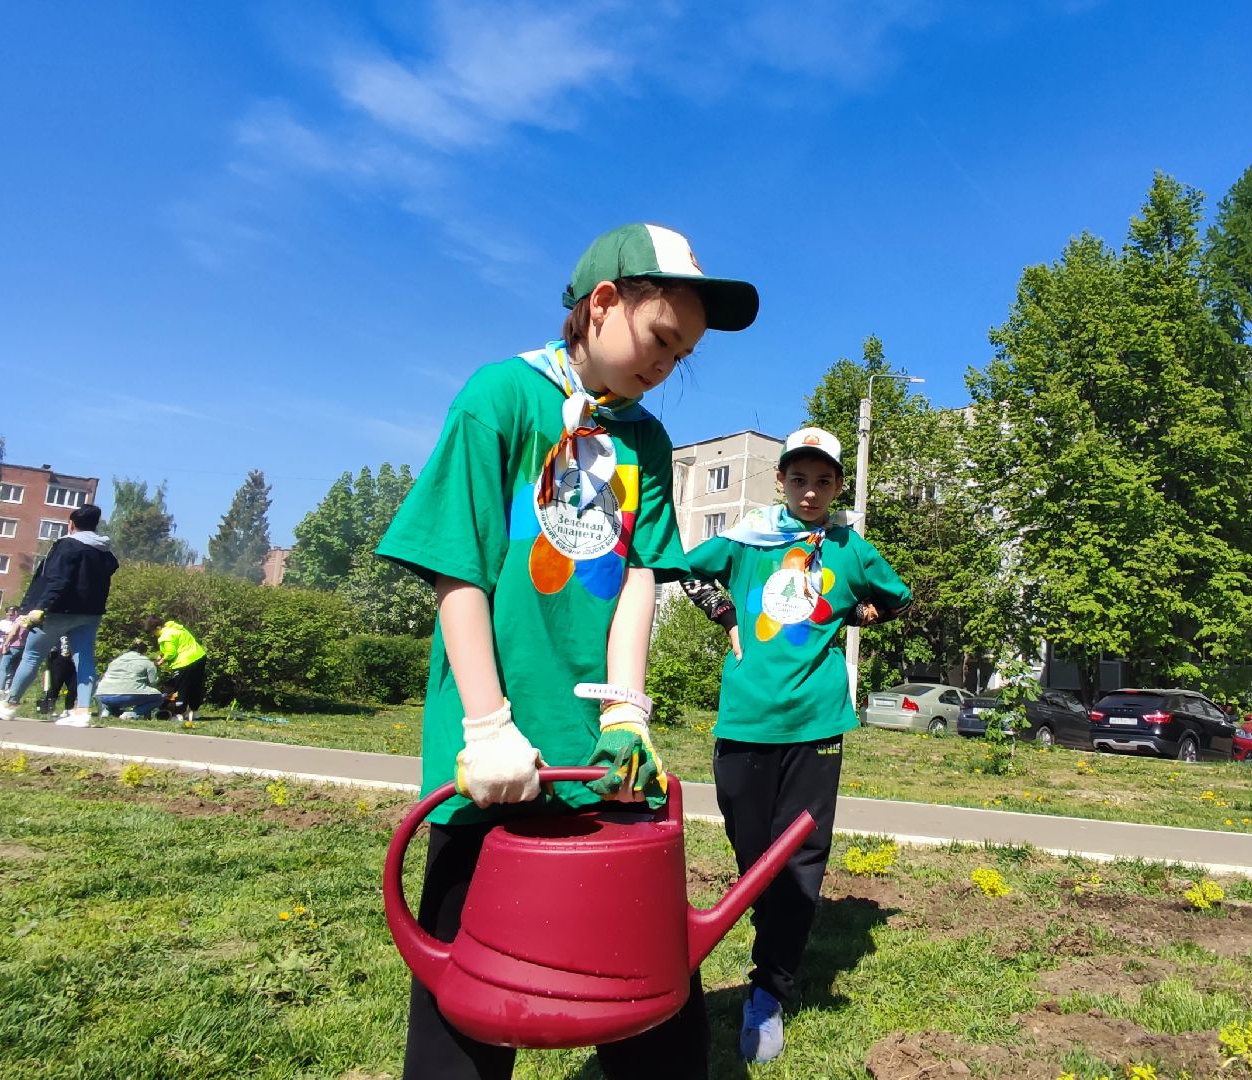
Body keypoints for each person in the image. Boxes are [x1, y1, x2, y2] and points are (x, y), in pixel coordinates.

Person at [374, 223, 757, 1080]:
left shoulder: (644, 440)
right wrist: (487, 725)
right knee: (465, 1014)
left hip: (600, 762)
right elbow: (456, 567)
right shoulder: (501, 396)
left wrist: (627, 711)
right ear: (604, 302)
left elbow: (636, 575)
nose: (667, 364)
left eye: (683, 355)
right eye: (662, 338)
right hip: (493, 761)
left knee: (650, 1001)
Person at [682, 426, 912, 1065]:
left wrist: (855, 614)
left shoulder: (849, 548)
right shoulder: (746, 539)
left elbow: (897, 597)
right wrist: (724, 614)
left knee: (800, 861)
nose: (811, 492)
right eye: (799, 479)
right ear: (781, 481)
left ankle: (769, 989)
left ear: (838, 487)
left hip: (815, 726)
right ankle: (771, 934)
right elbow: (680, 566)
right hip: (744, 722)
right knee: (754, 856)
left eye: (823, 481)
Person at [0, 503, 119, 726]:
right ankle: (82, 711)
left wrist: (40, 606)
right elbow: (110, 568)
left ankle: (9, 705)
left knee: (32, 656)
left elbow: (57, 579)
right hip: (90, 613)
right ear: (95, 526)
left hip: (57, 611)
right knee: (84, 659)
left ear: (71, 524)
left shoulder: (66, 545)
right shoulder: (104, 551)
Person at [146, 615, 208, 723]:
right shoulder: (177, 628)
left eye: (153, 632)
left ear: (158, 627)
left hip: (184, 661)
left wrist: (161, 661)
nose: (153, 635)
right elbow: (178, 646)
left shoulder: (165, 635)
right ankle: (194, 712)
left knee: (180, 689)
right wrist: (163, 655)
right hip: (199, 657)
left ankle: (179, 714)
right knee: (195, 686)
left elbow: (171, 653)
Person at [96, 641, 166, 718]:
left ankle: (107, 711)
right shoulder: (146, 662)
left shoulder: (116, 661)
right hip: (128, 695)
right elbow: (153, 682)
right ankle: (133, 714)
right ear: (144, 652)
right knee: (158, 698)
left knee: (115, 695)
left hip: (103, 695)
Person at [38, 635, 78, 718]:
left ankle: (69, 708)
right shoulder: (57, 630)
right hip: (57, 659)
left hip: (72, 661)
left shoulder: (76, 632)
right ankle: (49, 708)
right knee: (56, 684)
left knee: (73, 686)